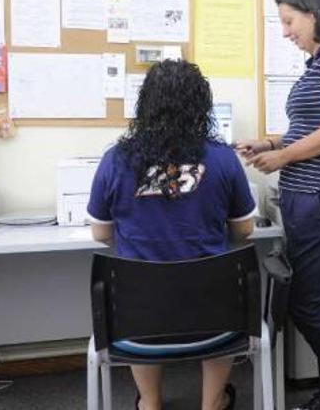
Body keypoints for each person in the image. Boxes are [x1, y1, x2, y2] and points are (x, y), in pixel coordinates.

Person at [87, 60, 256, 410]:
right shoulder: (223, 159)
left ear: (145, 103)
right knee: (220, 292)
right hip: (216, 325)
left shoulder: (116, 159)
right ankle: (213, 403)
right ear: (201, 107)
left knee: (141, 296)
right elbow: (245, 229)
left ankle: (149, 403)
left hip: (137, 327)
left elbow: (100, 233)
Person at [236, 0, 320, 410]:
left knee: (308, 302)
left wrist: (286, 156)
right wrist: (272, 145)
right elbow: (309, 125)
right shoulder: (317, 63)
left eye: (289, 21)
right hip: (308, 192)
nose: (285, 32)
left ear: (313, 14)